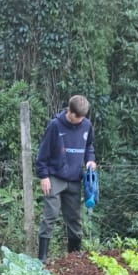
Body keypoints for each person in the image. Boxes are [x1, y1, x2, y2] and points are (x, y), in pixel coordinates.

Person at [34, 94, 97, 261]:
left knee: (75, 218)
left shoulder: (86, 125)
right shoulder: (55, 125)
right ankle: (42, 259)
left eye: (83, 117)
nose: (80, 121)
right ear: (70, 111)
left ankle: (74, 258)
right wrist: (44, 175)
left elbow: (89, 145)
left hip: (75, 179)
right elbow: (42, 153)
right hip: (55, 177)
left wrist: (90, 160)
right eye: (78, 117)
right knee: (51, 215)